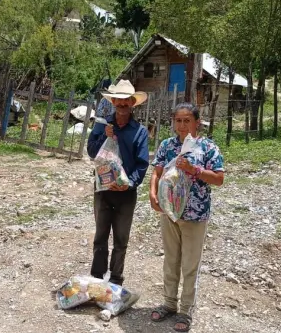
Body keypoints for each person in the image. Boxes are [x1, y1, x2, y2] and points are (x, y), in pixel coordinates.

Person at [149, 103, 225, 332]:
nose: (182, 125)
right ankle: (169, 304)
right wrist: (152, 193)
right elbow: (158, 171)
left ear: (196, 122)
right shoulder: (167, 145)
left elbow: (219, 179)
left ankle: (185, 310)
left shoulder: (208, 148)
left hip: (195, 214)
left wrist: (195, 170)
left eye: (186, 121)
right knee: (170, 260)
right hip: (169, 212)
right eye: (178, 121)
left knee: (190, 264)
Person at [87, 80, 150, 286]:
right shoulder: (102, 124)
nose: (122, 104)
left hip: (126, 193)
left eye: (127, 101)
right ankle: (97, 278)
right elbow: (92, 153)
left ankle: (115, 280)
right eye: (119, 100)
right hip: (103, 190)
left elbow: (142, 164)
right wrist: (103, 139)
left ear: (133, 103)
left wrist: (129, 184)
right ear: (113, 101)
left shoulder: (140, 131)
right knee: (100, 237)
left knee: (121, 239)